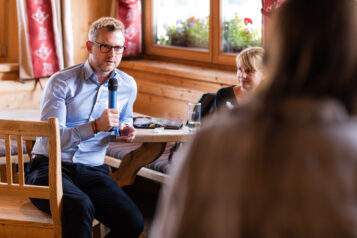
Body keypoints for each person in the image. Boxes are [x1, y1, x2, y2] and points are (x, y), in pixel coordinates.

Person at [150, 0, 357, 237]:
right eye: (240, 70)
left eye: (249, 70)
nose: (242, 75)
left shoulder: (212, 141)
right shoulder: (348, 150)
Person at [26, 17, 144, 238]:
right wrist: (95, 126)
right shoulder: (61, 82)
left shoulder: (128, 85)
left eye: (118, 48)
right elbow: (53, 140)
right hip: (49, 167)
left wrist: (125, 129)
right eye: (105, 46)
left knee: (133, 222)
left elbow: (125, 118)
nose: (112, 54)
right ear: (90, 46)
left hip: (93, 170)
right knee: (80, 206)